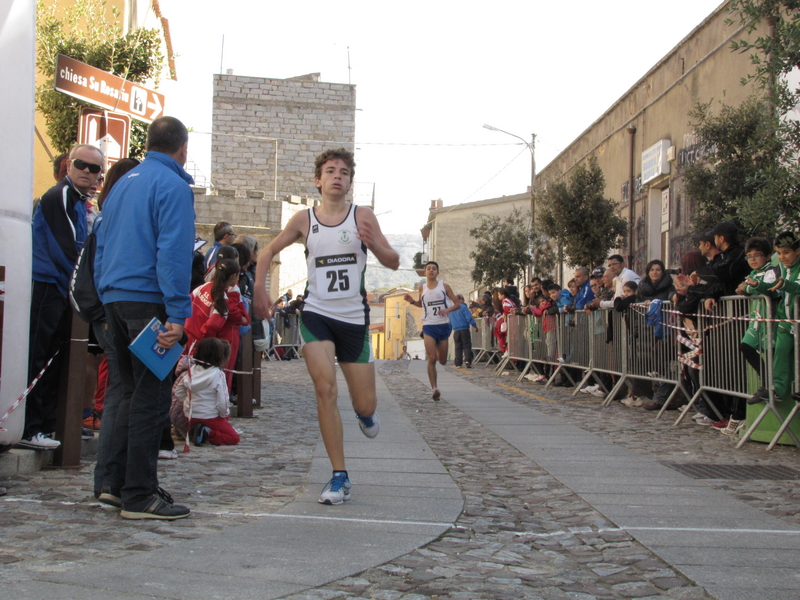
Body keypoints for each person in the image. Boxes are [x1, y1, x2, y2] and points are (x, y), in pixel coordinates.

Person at [253, 147, 399, 505]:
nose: (337, 176)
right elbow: (267, 252)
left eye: (344, 172)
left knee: (365, 405)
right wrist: (259, 290)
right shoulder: (304, 220)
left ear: (350, 182)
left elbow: (394, 261)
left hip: (354, 319)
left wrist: (374, 244)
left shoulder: (362, 215)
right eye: (330, 171)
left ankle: (365, 413)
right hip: (317, 314)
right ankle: (339, 475)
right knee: (325, 390)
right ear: (318, 181)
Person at [94, 116, 195, 520]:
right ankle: (139, 494)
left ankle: (112, 485)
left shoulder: (121, 185)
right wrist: (177, 313)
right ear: (182, 149)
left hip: (115, 300)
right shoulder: (172, 186)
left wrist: (106, 294)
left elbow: (100, 243)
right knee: (151, 398)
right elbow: (173, 252)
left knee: (124, 392)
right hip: (149, 303)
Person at [20, 144, 105, 450]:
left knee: (55, 358)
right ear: (70, 164)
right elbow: (67, 248)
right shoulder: (60, 196)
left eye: (95, 169)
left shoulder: (82, 202)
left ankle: (44, 425)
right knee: (38, 355)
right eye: (82, 165)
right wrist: (84, 283)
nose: (87, 172)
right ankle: (30, 427)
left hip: (64, 289)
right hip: (48, 284)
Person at [744, 230, 800, 407]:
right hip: (785, 320)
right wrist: (757, 285)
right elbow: (772, 289)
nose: (782, 257)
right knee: (780, 354)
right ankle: (777, 390)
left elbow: (795, 286)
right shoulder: (781, 267)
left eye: (787, 252)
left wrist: (784, 284)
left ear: (797, 251)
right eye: (780, 253)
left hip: (798, 319)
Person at [185, 259, 250, 391]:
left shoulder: (204, 287)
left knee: (184, 376)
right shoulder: (222, 302)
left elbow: (189, 301)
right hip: (199, 344)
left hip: (187, 335)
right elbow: (212, 327)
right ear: (233, 276)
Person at [404, 261, 460, 399]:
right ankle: (434, 388)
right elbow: (421, 304)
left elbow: (458, 304)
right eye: (428, 269)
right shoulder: (422, 288)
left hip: (443, 325)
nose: (431, 271)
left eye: (434, 269)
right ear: (425, 272)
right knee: (432, 358)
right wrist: (411, 301)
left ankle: (437, 349)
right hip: (428, 325)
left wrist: (447, 309)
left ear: (437, 272)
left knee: (442, 360)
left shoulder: (444, 286)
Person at [175, 338, 240, 447]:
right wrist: (224, 415)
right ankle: (208, 432)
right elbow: (223, 401)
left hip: (190, 414)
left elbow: (179, 391)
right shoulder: (218, 374)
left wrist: (187, 404)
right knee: (233, 438)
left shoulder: (191, 371)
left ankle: (198, 431)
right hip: (210, 416)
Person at [450, 293, 477, 368]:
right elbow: (469, 318)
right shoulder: (463, 307)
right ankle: (468, 360)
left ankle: (458, 363)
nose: (463, 301)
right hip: (464, 329)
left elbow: (450, 321)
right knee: (466, 345)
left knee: (458, 347)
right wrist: (474, 325)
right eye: (463, 299)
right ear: (460, 299)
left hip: (456, 330)